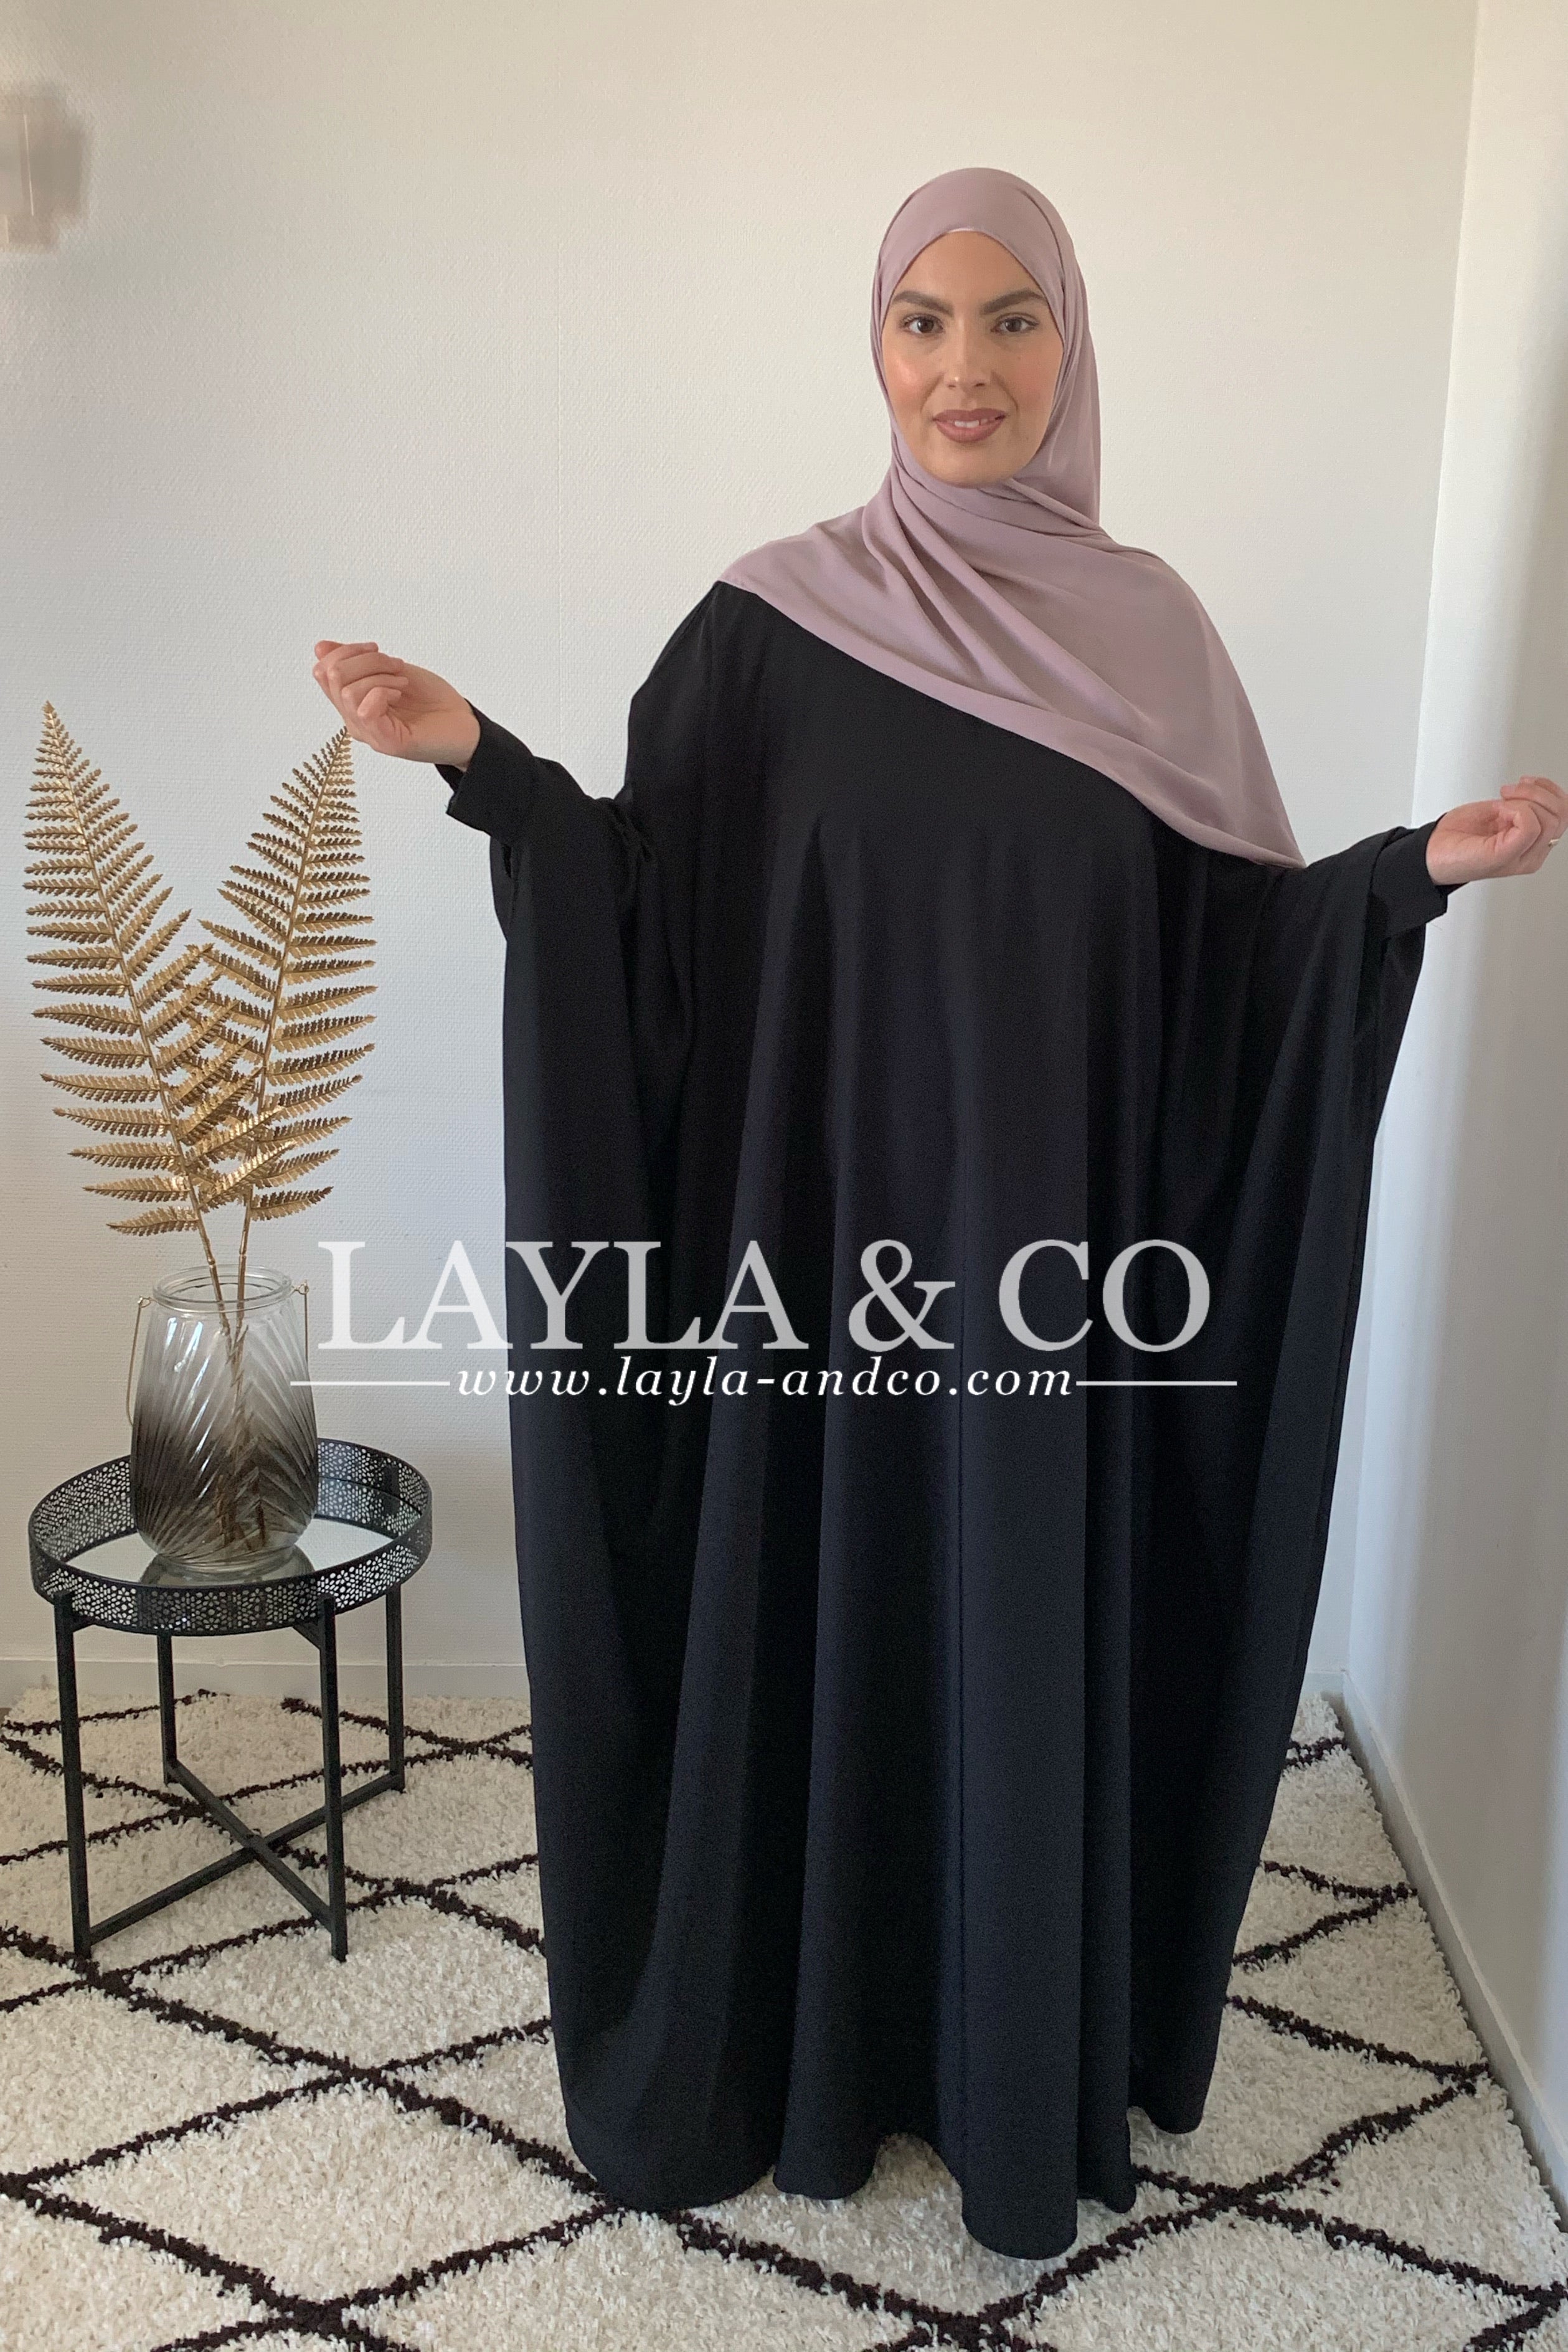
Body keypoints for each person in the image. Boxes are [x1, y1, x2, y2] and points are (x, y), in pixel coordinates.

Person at [311, 167, 1564, 2262]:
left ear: (1073, 345)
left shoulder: (1153, 641)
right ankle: (778, 2034)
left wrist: (1399, 878)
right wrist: (491, 769)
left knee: (1005, 1630)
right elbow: (651, 923)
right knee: (809, 1624)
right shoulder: (768, 630)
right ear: (874, 347)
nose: (964, 369)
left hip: (1049, 1318)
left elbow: (1232, 968)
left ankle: (1000, 2057)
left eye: (1010, 321)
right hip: (804, 1308)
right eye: (922, 321)